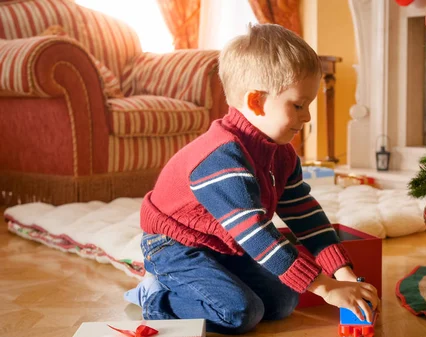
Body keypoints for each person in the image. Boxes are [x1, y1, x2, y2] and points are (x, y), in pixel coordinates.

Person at [124, 23, 380, 335]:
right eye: (299, 105)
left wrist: (343, 274)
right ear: (256, 102)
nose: (308, 116)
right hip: (174, 244)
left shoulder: (281, 153)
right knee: (240, 312)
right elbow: (257, 235)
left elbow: (306, 217)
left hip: (223, 243)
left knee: (286, 299)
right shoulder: (221, 159)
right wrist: (325, 288)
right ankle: (155, 297)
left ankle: (213, 282)